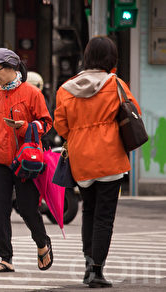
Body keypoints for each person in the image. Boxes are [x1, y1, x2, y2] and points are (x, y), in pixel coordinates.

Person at [54, 36, 141, 288]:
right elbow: (133, 111)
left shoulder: (66, 88)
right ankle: (96, 271)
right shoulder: (115, 84)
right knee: (104, 216)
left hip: (81, 159)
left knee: (89, 212)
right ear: (111, 59)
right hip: (110, 157)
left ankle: (87, 265)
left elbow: (61, 125)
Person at [0, 48, 53, 272]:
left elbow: (46, 123)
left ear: (11, 68)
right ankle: (5, 258)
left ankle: (43, 242)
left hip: (25, 161)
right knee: (1, 210)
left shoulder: (32, 93)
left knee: (27, 208)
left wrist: (25, 127)